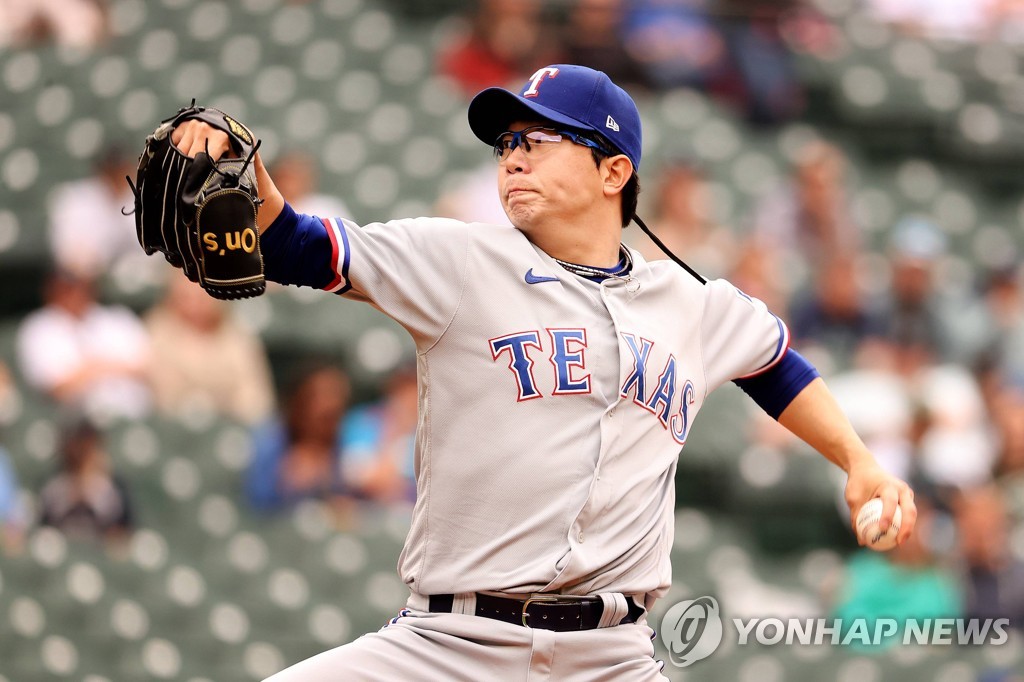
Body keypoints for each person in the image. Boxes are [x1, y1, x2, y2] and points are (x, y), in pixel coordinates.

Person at [170, 63, 916, 680]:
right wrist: (249, 172)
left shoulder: (690, 305)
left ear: (613, 170)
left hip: (613, 657)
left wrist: (858, 461)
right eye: (506, 143)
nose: (513, 156)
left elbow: (777, 366)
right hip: (449, 646)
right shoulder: (460, 260)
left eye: (539, 139)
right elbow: (293, 242)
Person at [16, 268, 152, 422]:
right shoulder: (38, 328)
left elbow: (146, 370)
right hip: (75, 423)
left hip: (134, 414)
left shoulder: (117, 318)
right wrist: (108, 367)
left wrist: (93, 368)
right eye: (67, 287)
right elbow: (57, 389)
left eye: (80, 285)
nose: (76, 294)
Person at [145, 275, 275, 426]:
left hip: (232, 423)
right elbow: (164, 391)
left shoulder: (238, 335)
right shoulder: (157, 330)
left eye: (201, 297)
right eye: (186, 297)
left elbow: (255, 397)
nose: (194, 306)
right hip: (173, 424)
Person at [245, 363, 354, 514]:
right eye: (320, 396)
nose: (330, 405)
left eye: (337, 397)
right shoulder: (269, 441)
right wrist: (287, 483)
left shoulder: (341, 445)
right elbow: (255, 502)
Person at [38, 419, 134, 547]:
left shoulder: (113, 491)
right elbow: (45, 532)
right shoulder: (54, 488)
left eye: (89, 448)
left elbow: (123, 535)